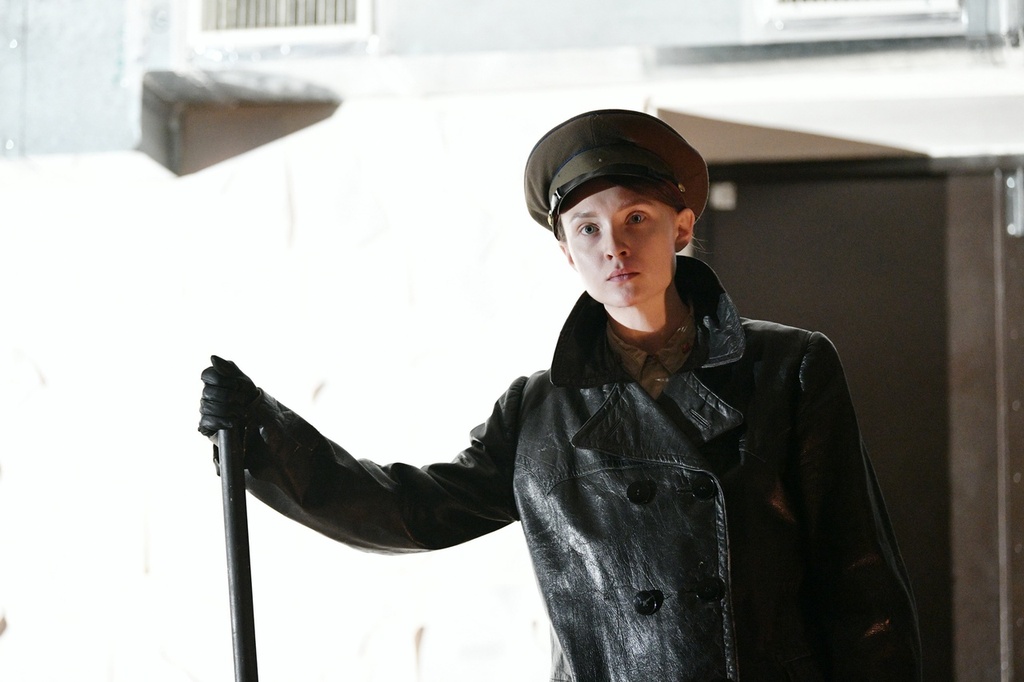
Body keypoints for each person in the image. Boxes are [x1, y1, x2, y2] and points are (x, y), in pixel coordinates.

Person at [199, 109, 921, 681]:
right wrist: (262, 432)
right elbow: (410, 510)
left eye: (636, 218)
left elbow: (860, 582)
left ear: (681, 227)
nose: (614, 246)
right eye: (587, 228)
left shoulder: (790, 368)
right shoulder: (537, 412)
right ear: (566, 251)